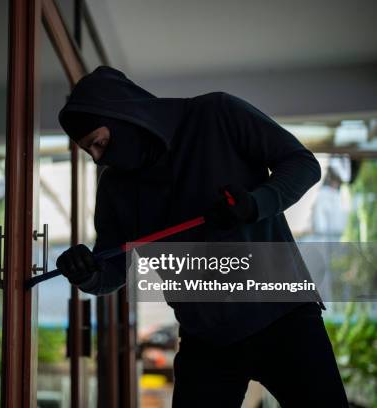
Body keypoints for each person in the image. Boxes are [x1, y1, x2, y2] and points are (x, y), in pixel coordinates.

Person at [56, 66, 348, 407]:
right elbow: (112, 269)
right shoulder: (114, 188)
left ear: (125, 114)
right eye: (90, 152)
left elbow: (302, 164)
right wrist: (86, 273)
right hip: (205, 340)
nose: (98, 159)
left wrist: (255, 204)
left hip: (283, 317)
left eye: (100, 144)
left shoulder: (217, 113)